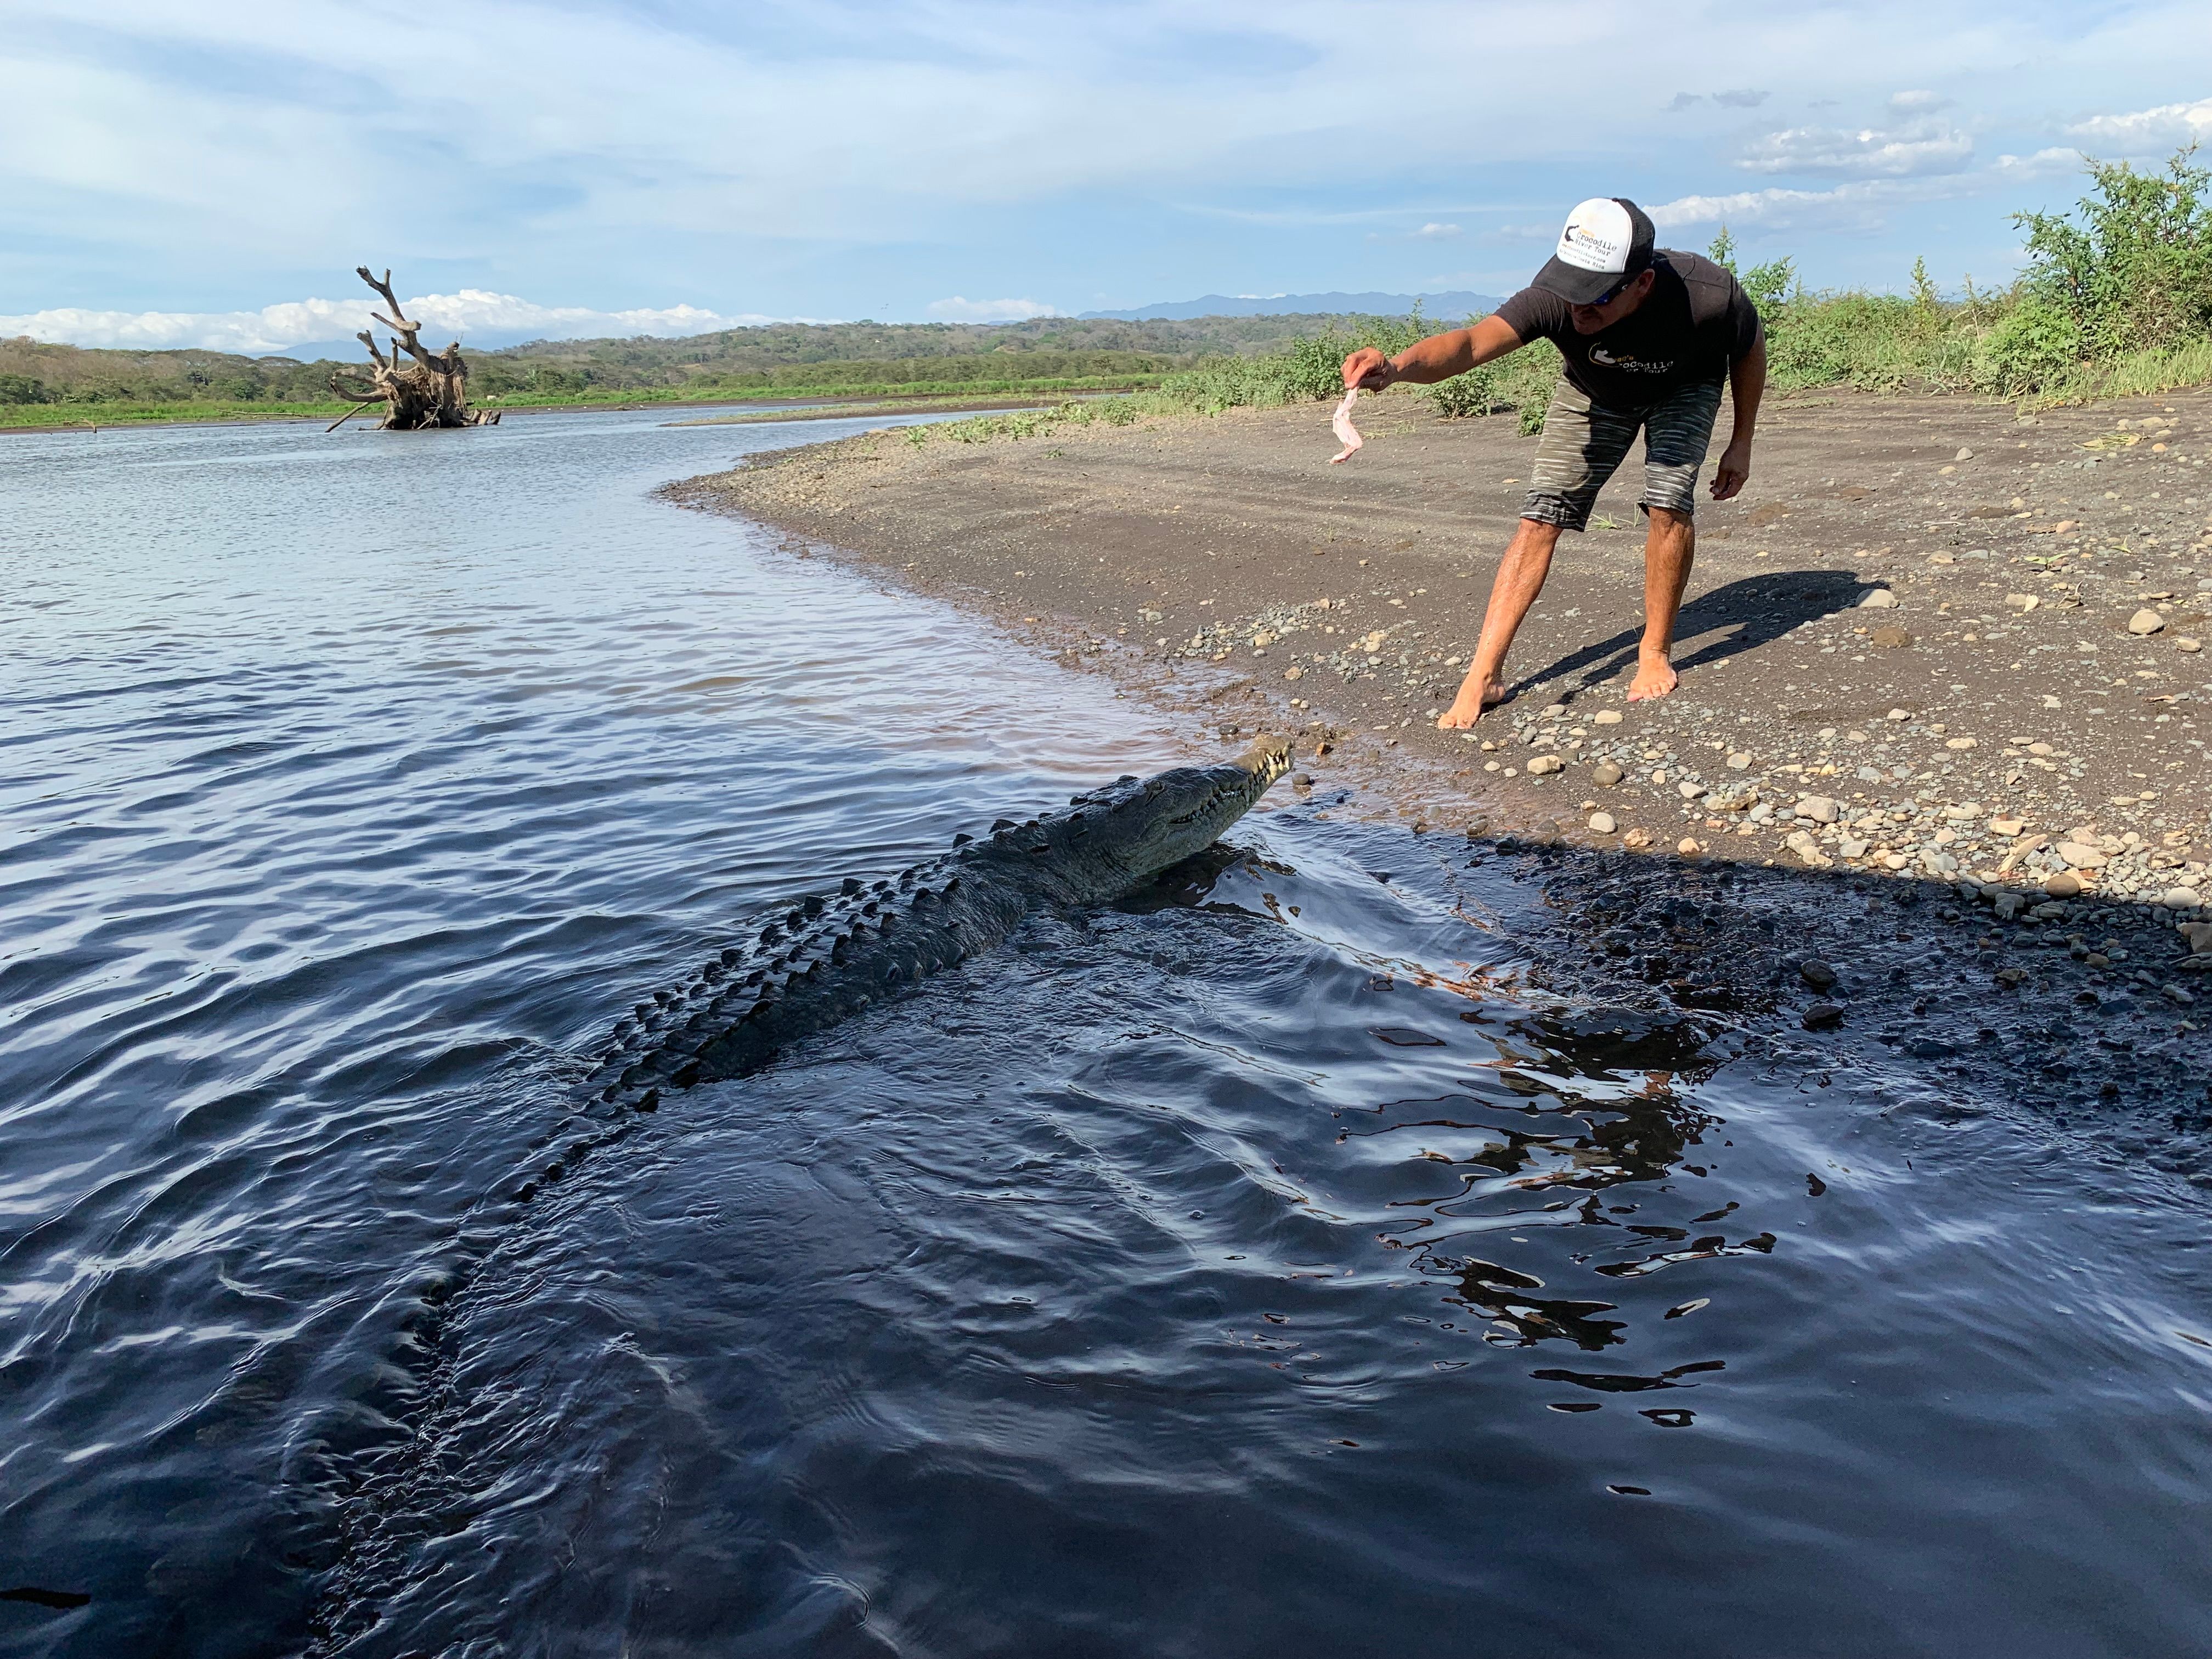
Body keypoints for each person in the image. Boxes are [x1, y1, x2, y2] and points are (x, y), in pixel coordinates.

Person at [1341, 196, 1766, 726]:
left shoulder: (1709, 294)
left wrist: (1741, 439)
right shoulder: (1552, 298)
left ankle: (1654, 651)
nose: (1579, 309)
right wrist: (1398, 366)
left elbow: (1748, 348)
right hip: (1594, 393)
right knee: (1539, 518)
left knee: (1669, 504)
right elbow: (1470, 344)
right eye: (1572, 292)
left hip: (1685, 388)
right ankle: (1484, 675)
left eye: (1597, 297)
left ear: (1643, 285)